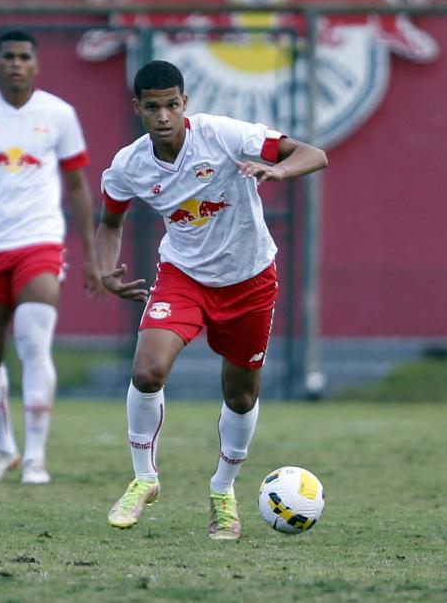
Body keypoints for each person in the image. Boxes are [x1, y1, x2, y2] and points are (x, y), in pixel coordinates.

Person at [96, 59, 327, 540]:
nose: (164, 116)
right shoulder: (129, 164)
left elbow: (314, 153)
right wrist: (105, 269)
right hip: (184, 277)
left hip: (250, 279)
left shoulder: (222, 135)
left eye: (172, 105)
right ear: (138, 108)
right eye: (153, 107)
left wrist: (278, 171)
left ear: (186, 104)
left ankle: (223, 493)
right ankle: (144, 479)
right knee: (147, 370)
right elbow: (111, 221)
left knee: (241, 395)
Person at [0, 28, 102, 485]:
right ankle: (3, 447)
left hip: (41, 243)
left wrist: (91, 257)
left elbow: (77, 185)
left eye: (24, 57)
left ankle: (35, 456)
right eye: (8, 56)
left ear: (36, 65)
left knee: (34, 343)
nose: (15, 64)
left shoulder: (58, 114)